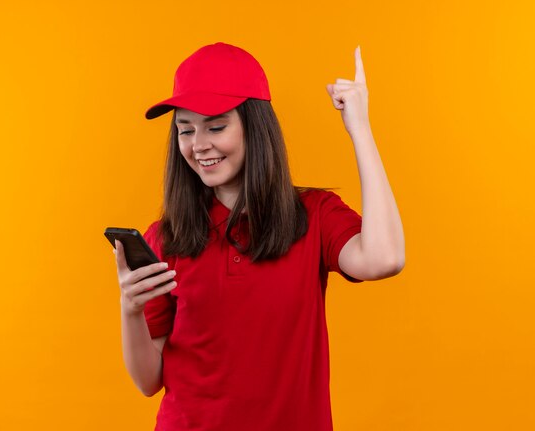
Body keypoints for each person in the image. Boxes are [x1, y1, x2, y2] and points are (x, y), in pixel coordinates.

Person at [113, 42, 405, 431]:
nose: (199, 145)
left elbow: (384, 259)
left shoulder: (314, 215)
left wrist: (360, 129)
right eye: (186, 130)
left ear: (255, 127)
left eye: (216, 126)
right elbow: (148, 381)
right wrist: (130, 309)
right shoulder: (167, 237)